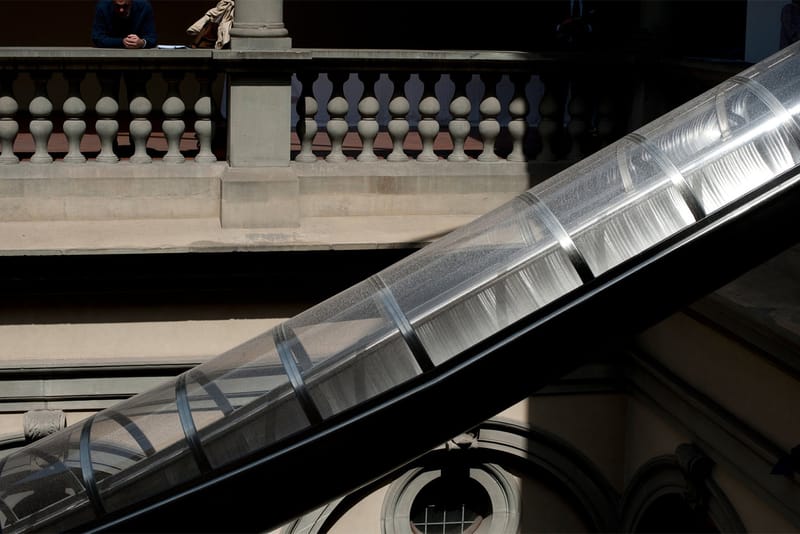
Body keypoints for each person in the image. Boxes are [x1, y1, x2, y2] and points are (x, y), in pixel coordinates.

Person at [92, 0, 158, 49]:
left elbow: (152, 38)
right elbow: (97, 38)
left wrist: (141, 43)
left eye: (125, 6)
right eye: (117, 6)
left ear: (131, 2)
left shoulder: (144, 7)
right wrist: (121, 42)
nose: (121, 10)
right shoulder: (102, 7)